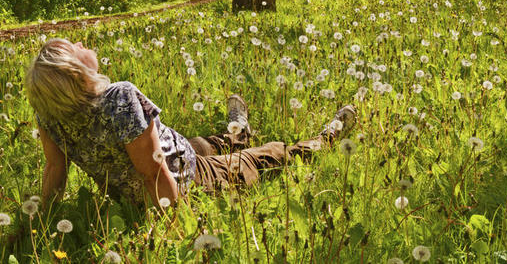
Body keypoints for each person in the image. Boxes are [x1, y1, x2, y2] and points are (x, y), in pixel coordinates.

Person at [24, 38, 357, 208]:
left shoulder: (50, 112)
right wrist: (174, 224)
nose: (83, 44)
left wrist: (45, 216)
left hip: (174, 154)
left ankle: (236, 130)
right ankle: (329, 135)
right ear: (76, 75)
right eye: (75, 47)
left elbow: (55, 169)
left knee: (199, 143)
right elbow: (153, 171)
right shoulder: (119, 99)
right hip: (188, 179)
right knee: (268, 155)